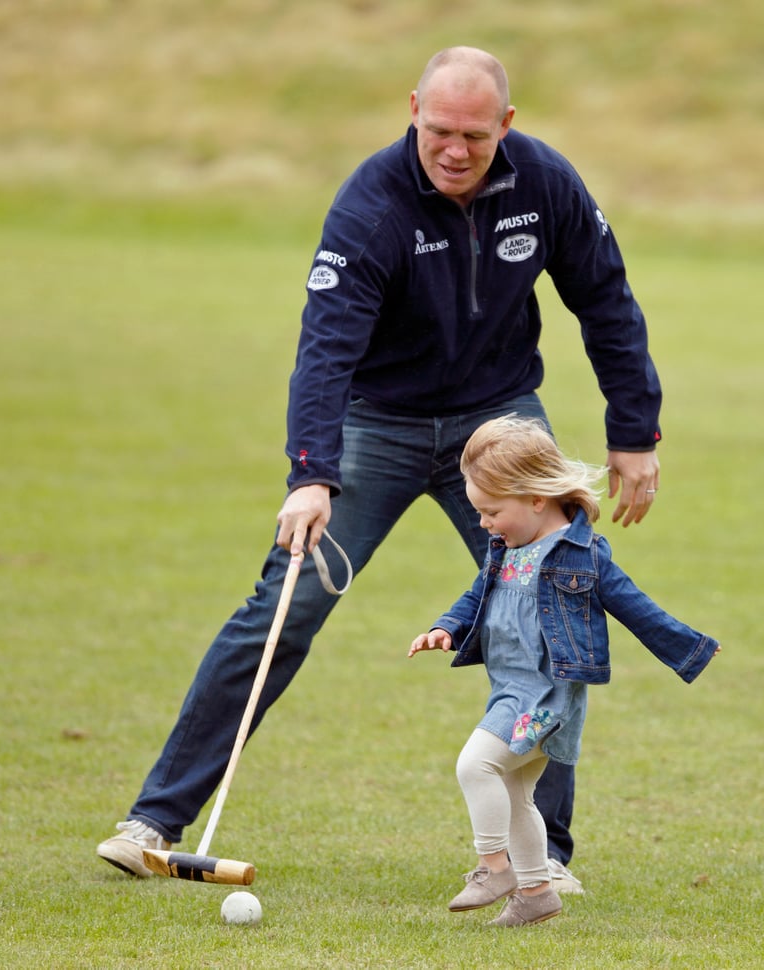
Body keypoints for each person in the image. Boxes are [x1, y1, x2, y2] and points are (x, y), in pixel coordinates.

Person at [96, 46, 666, 893]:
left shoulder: (545, 183)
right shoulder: (372, 205)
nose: (455, 149)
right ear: (412, 112)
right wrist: (310, 474)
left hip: (497, 423)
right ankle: (153, 819)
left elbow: (606, 297)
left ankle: (543, 858)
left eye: (475, 133)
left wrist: (635, 429)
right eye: (439, 129)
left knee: (552, 608)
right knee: (284, 605)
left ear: (505, 125)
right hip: (377, 426)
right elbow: (325, 349)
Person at [408, 416, 720, 926]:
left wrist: (689, 648)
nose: (484, 523)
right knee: (513, 791)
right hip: (510, 690)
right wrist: (445, 628)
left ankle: (493, 866)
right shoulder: (504, 550)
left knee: (475, 765)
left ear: (535, 498)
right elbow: (475, 597)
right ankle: (535, 893)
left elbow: (636, 608)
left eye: (491, 511)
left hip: (545, 698)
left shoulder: (582, 556)